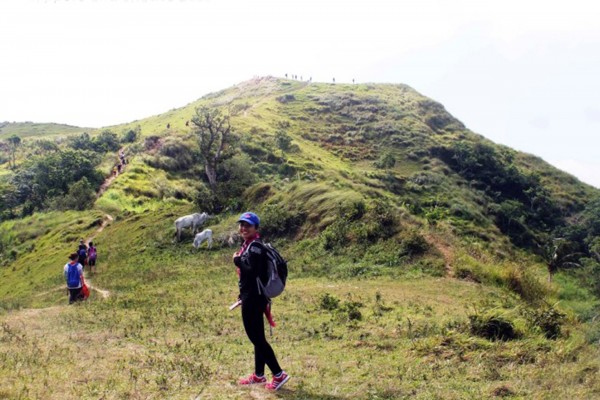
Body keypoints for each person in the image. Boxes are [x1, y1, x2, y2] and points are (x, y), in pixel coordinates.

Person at [234, 212, 290, 391]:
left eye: (248, 225)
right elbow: (249, 277)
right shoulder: (249, 245)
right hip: (251, 296)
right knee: (258, 338)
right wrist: (242, 294)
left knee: (256, 338)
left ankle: (278, 374)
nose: (243, 228)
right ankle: (259, 375)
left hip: (255, 298)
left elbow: (251, 271)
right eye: (242, 225)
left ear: (256, 228)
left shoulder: (256, 247)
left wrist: (236, 260)